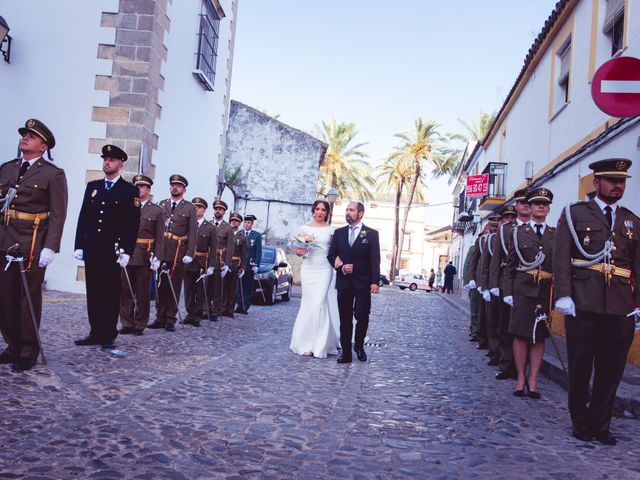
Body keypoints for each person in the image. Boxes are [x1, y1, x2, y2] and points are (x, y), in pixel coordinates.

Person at [553, 158, 639, 446]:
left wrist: (638, 304)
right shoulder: (575, 214)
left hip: (620, 306)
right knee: (580, 366)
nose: (617, 186)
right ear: (597, 183)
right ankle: (580, 421)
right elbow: (561, 256)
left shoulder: (631, 221)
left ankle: (601, 424)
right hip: (583, 303)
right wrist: (563, 294)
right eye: (612, 181)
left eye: (622, 181)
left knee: (611, 369)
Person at [0, 119, 68, 371]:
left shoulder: (53, 174)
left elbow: (58, 213)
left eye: (31, 136)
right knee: (4, 297)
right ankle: (13, 345)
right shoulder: (6, 169)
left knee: (26, 299)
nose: (25, 137)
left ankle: (28, 347)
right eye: (24, 134)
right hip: (4, 240)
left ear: (43, 146)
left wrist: (50, 247)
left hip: (32, 244)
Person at [74, 145, 140, 350]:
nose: (107, 163)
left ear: (120, 164)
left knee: (110, 291)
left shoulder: (129, 191)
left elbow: (132, 224)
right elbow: (83, 217)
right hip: (93, 247)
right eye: (105, 159)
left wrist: (127, 251)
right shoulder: (93, 187)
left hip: (113, 250)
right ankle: (95, 331)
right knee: (93, 290)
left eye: (111, 160)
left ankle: (108, 332)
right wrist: (79, 244)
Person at [504, 187, 555, 400]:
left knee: (539, 337)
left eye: (544, 204)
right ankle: (520, 378)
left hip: (544, 290)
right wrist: (507, 291)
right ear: (530, 207)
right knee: (521, 335)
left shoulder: (555, 234)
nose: (540, 207)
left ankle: (533, 380)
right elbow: (510, 266)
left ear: (548, 209)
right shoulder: (518, 233)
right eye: (536, 203)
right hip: (523, 289)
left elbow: (560, 265)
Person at [328, 201, 380, 363]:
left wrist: (375, 282)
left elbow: (374, 259)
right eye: (347, 210)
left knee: (362, 315)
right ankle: (346, 353)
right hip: (344, 282)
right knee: (345, 318)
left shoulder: (371, 234)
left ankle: (359, 346)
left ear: (360, 213)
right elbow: (331, 255)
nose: (348, 212)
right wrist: (342, 267)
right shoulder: (339, 233)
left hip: (363, 283)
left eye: (351, 210)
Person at [488, 192, 530, 381]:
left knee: (527, 329)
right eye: (522, 203)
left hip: (531, 285)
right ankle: (506, 365)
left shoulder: (539, 228)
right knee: (505, 327)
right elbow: (496, 259)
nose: (526, 206)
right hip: (508, 283)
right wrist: (494, 285)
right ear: (517, 205)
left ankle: (523, 367)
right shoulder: (505, 230)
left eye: (529, 203)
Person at [290, 200, 340, 358]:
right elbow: (297, 251)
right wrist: (304, 249)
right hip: (308, 269)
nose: (320, 212)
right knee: (309, 304)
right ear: (313, 211)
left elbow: (336, 250)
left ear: (327, 213)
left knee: (319, 303)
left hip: (324, 268)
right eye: (317, 209)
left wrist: (339, 260)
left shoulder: (333, 230)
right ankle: (306, 342)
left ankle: (319, 344)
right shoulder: (303, 229)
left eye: (323, 210)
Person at [148, 175, 197, 331]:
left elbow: (193, 232)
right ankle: (160, 317)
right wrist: (154, 252)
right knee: (161, 285)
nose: (175, 187)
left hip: (178, 252)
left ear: (184, 189)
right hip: (162, 250)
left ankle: (170, 318)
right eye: (173, 185)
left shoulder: (189, 208)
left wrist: (189, 253)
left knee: (174, 286)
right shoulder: (162, 204)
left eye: (178, 185)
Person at [118, 174, 164, 335]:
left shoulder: (157, 210)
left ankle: (140, 323)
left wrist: (157, 256)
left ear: (148, 189)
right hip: (127, 254)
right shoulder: (127, 206)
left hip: (145, 254)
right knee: (125, 289)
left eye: (142, 186)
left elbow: (159, 237)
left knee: (143, 291)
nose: (138, 189)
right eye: (136, 186)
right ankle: (127, 323)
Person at [183, 197, 215, 327]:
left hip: (202, 262)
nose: (197, 209)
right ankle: (189, 313)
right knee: (188, 290)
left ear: (204, 210)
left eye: (199, 207)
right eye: (195, 207)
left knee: (200, 290)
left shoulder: (210, 227)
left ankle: (197, 316)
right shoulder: (187, 224)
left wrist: (212, 266)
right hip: (188, 261)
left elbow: (213, 248)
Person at [208, 200, 234, 320]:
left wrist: (227, 264)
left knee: (217, 287)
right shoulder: (208, 225)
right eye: (216, 209)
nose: (218, 211)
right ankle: (205, 309)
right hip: (208, 259)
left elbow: (230, 247)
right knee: (207, 285)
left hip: (220, 260)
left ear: (224, 212)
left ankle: (216, 311)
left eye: (220, 209)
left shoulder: (228, 228)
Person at [236, 214, 262, 314]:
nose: (247, 224)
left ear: (252, 224)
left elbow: (258, 251)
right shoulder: (239, 233)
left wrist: (257, 265)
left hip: (250, 264)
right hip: (240, 264)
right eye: (245, 222)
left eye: (249, 223)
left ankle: (245, 306)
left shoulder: (256, 235)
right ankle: (239, 305)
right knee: (239, 285)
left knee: (248, 286)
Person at [225, 212, 247, 316]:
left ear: (239, 223)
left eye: (236, 221)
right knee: (221, 287)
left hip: (234, 264)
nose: (233, 222)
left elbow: (244, 254)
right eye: (232, 220)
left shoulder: (242, 237)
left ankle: (230, 310)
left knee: (232, 288)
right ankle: (221, 308)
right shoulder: (224, 232)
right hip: (223, 263)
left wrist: (242, 267)